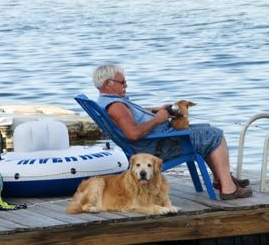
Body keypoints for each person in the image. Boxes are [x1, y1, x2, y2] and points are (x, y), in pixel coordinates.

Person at [93, 64, 252, 200]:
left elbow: (131, 116)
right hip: (160, 147)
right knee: (215, 134)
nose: (126, 85)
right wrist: (157, 119)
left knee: (205, 128)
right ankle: (229, 189)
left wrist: (156, 110)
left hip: (156, 141)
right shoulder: (116, 107)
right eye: (122, 82)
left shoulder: (107, 102)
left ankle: (221, 178)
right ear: (108, 84)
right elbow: (133, 134)